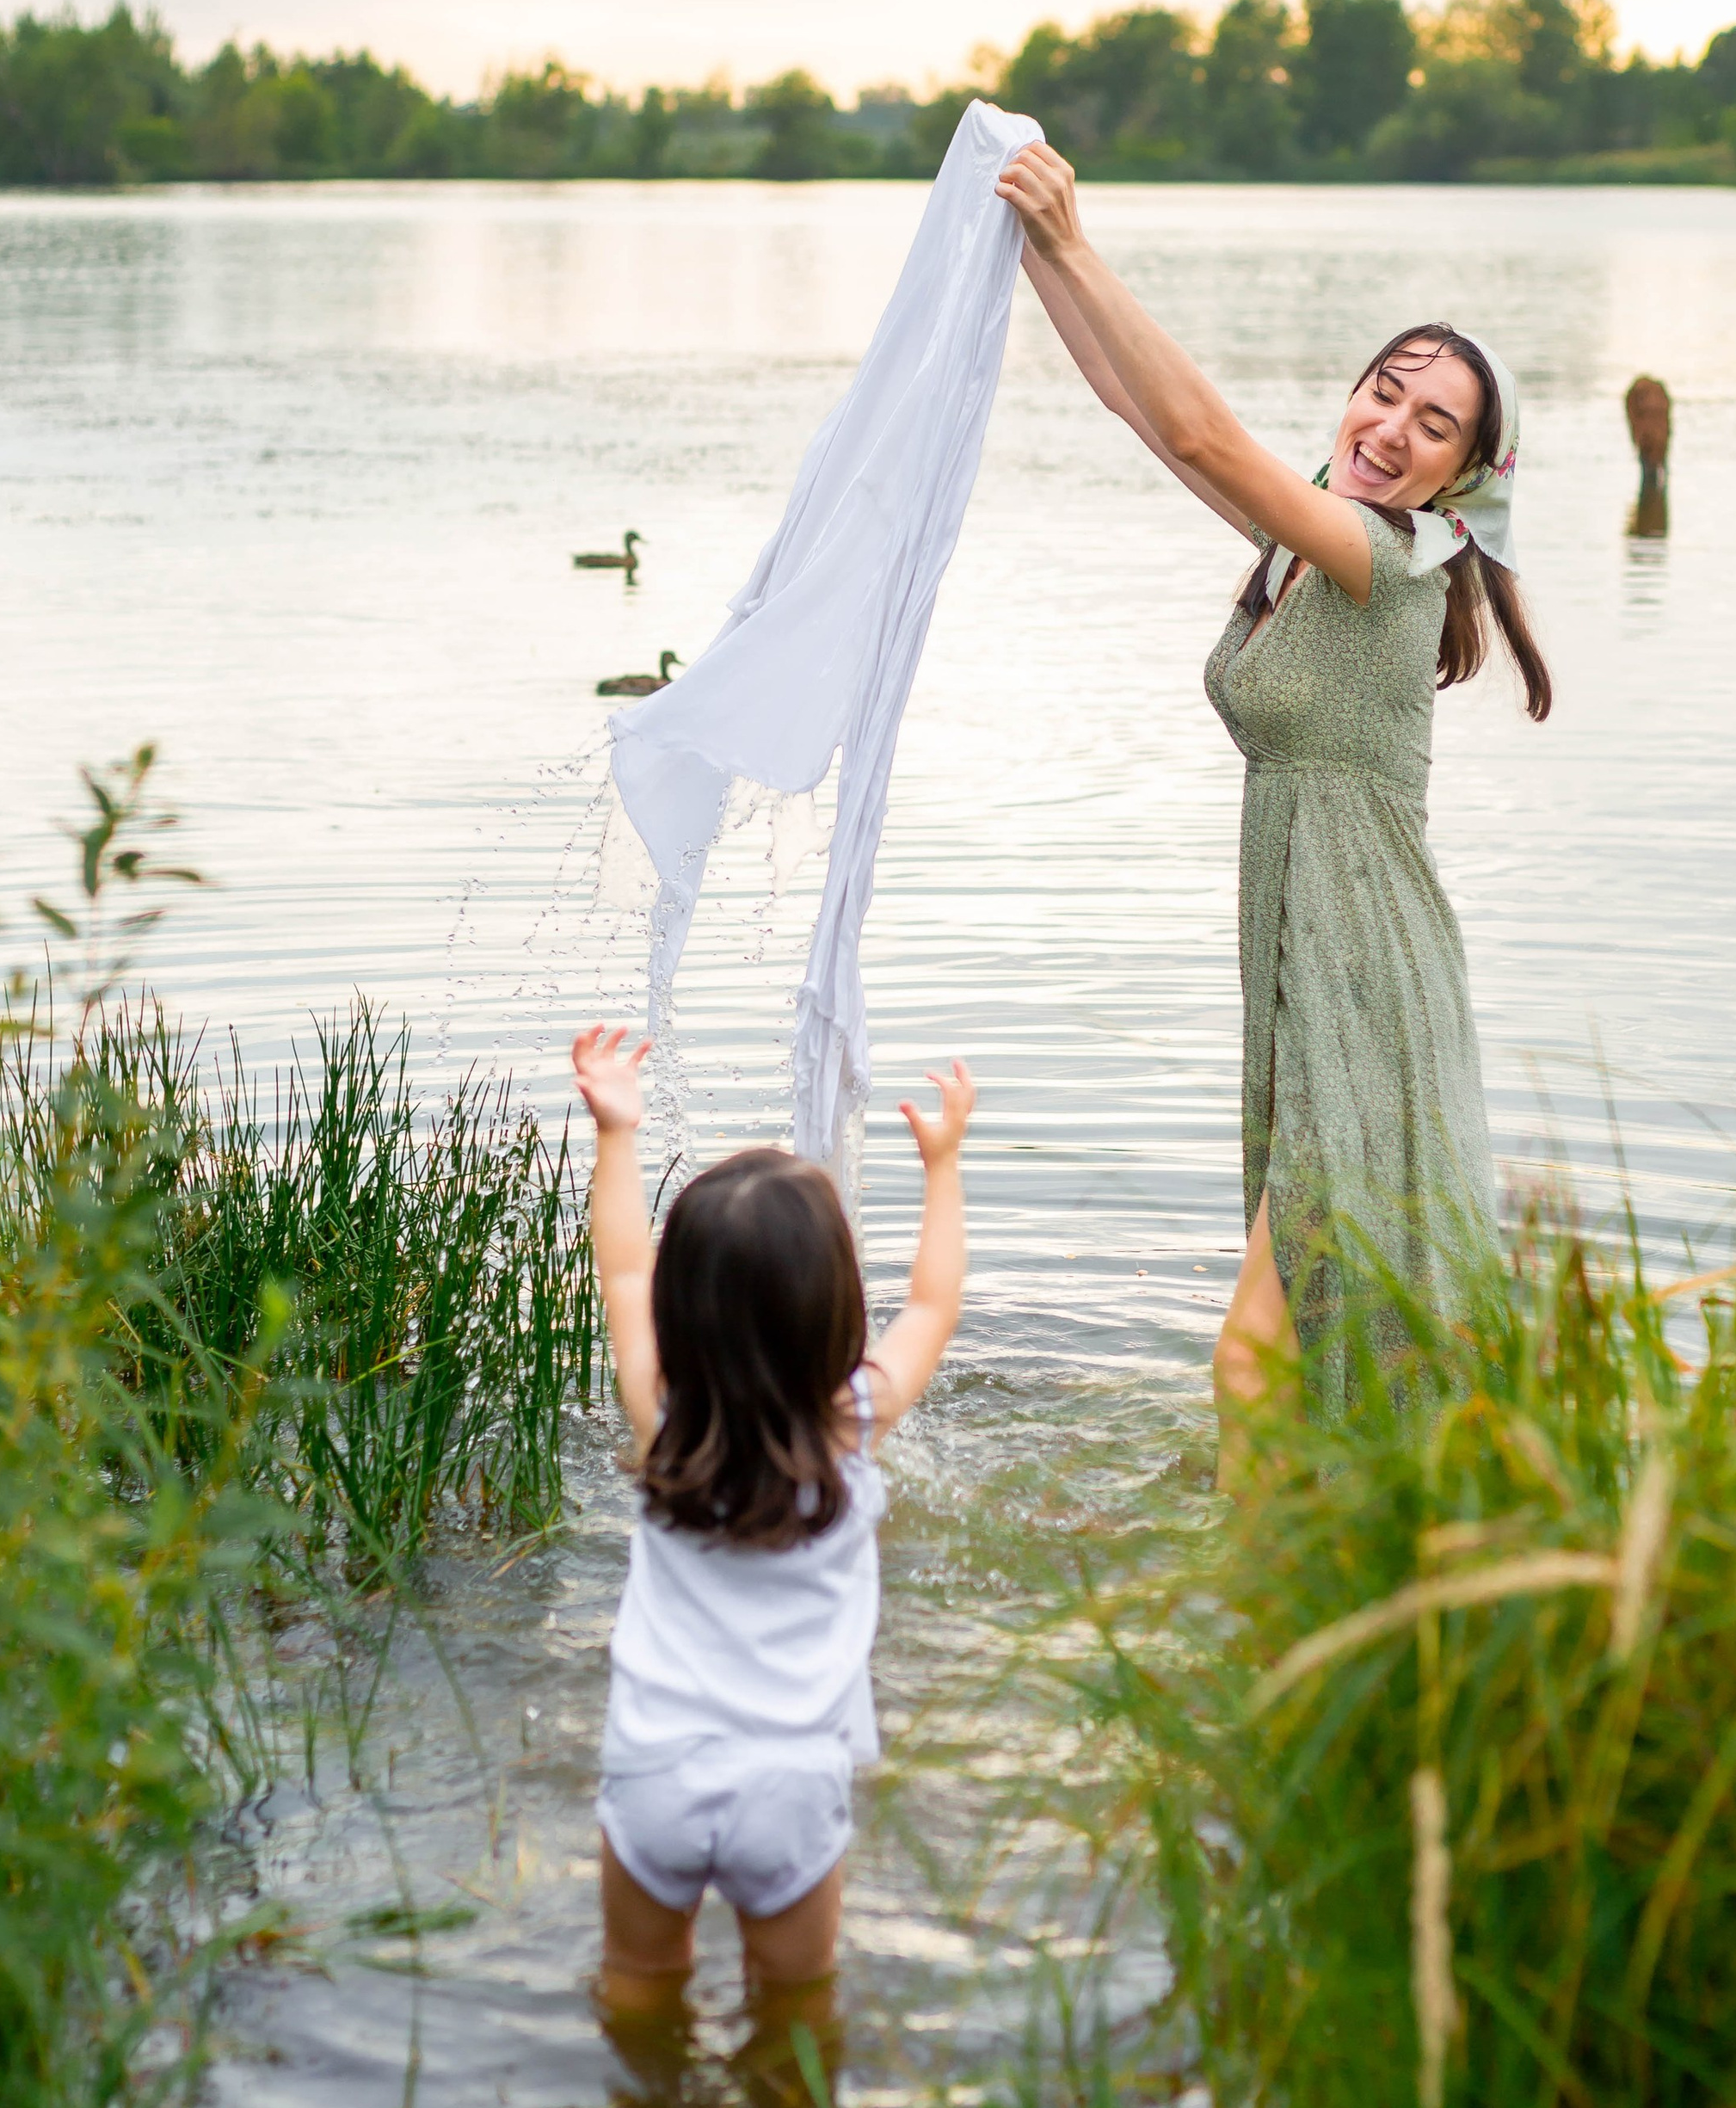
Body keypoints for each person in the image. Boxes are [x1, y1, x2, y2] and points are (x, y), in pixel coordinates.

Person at [996, 141, 1551, 1474]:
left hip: (1370, 985)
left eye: (1434, 426)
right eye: (1385, 392)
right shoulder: (1301, 544)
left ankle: (1261, 1590)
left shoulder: (1390, 561)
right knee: (1301, 1338)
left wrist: (1076, 241)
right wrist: (1022, 248)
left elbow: (1203, 432)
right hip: (1309, 971)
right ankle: (1342, 1556)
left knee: (1257, 1354)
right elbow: (1144, 413)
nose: (1392, 429)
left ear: (1462, 477)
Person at [569, 1021, 975, 2044]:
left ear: (684, 1311)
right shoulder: (853, 1422)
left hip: (656, 1765)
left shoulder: (661, 1415)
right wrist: (942, 1165)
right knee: (796, 2013)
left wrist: (617, 1132)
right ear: (834, 1306)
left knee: (637, 1983)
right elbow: (934, 1303)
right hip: (788, 1785)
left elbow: (621, 1274)